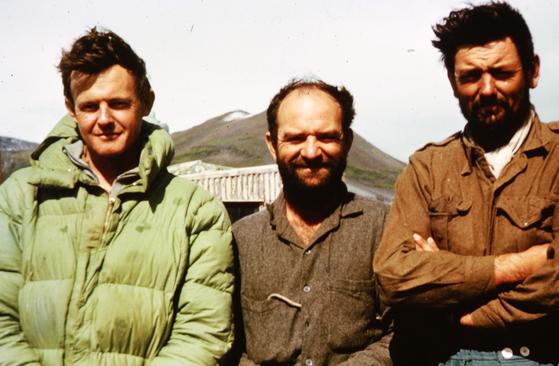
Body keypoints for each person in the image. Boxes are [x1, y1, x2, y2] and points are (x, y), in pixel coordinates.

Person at [373, 2, 559, 365]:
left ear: (533, 71)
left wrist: (459, 310)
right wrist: (515, 266)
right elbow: (394, 276)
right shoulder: (425, 167)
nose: (487, 89)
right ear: (453, 81)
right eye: (471, 76)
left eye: (503, 73)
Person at [0, 28, 235, 365]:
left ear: (146, 103)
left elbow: (202, 333)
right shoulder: (20, 197)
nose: (104, 119)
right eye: (90, 106)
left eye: (119, 104)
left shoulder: (196, 211)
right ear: (71, 108)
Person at [233, 79, 392, 365]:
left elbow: (405, 333)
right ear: (272, 144)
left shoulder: (383, 228)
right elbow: (225, 341)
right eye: (295, 138)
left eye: (327, 137)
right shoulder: (240, 239)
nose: (310, 152)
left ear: (348, 142)